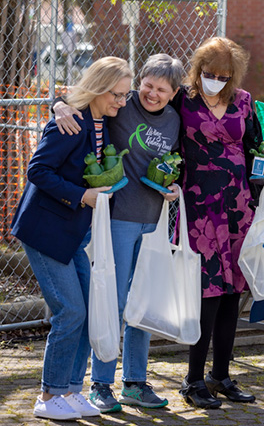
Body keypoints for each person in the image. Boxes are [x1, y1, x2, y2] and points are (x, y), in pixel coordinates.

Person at [53, 54, 184, 413]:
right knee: (115, 301)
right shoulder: (121, 108)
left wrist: (174, 186)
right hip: (119, 219)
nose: (151, 94)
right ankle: (101, 384)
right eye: (148, 85)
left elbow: (175, 163)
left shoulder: (176, 119)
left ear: (174, 93)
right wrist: (57, 105)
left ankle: (135, 383)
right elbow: (82, 98)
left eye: (161, 89)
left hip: (153, 220)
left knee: (143, 302)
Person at [11, 56, 132, 420]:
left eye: (126, 96)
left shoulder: (101, 121)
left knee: (88, 313)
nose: (121, 103)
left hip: (73, 234)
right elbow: (38, 170)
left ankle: (70, 390)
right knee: (71, 311)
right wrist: (82, 196)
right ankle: (48, 395)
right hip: (45, 231)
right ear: (99, 87)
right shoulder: (70, 123)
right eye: (117, 95)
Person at [176, 37, 260, 409]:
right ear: (197, 70)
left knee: (231, 294)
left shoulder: (243, 101)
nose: (215, 80)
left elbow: (256, 149)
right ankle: (193, 380)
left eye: (223, 76)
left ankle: (221, 375)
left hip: (238, 208)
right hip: (199, 210)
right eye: (208, 74)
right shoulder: (182, 100)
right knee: (206, 295)